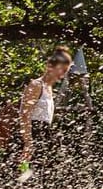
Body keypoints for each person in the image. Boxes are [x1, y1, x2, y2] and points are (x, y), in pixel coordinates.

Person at [17, 46, 73, 178]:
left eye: (66, 71)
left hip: (44, 136)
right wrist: (28, 142)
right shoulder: (36, 85)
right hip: (31, 135)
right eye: (61, 69)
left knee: (46, 177)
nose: (63, 74)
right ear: (50, 66)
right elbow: (24, 114)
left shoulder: (49, 89)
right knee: (26, 178)